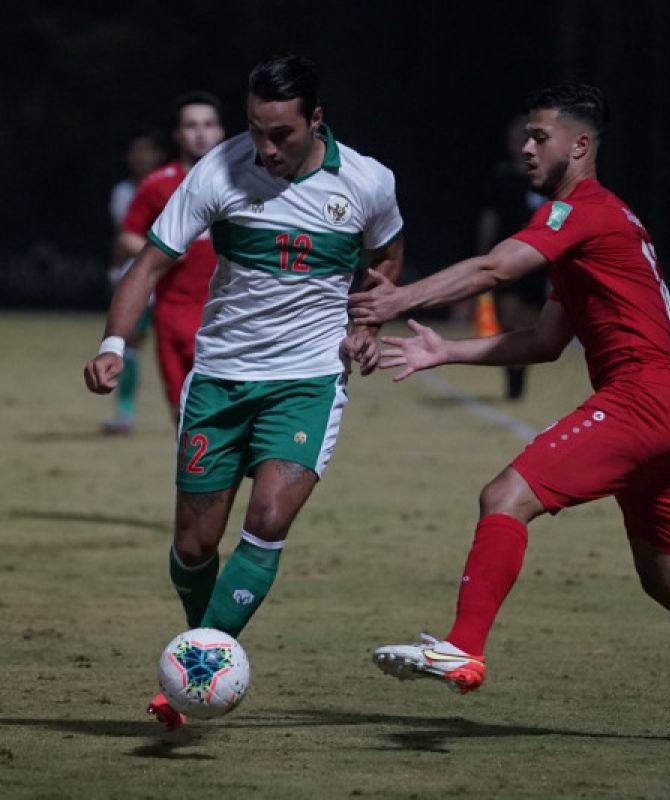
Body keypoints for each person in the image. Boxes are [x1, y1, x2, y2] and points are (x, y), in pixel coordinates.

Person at [348, 84, 670, 745]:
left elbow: (492, 266)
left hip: (646, 399)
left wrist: (401, 298)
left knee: (504, 496)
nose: (526, 146)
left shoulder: (584, 212)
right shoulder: (585, 225)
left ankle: (462, 647)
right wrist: (447, 349)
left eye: (540, 137)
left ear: (581, 145)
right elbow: (542, 341)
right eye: (527, 136)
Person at [84, 54, 404, 731]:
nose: (266, 148)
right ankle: (207, 642)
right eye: (256, 129)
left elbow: (387, 257)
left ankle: (191, 677)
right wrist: (114, 344)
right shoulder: (218, 172)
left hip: (308, 381)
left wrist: (365, 323)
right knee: (196, 546)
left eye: (281, 134)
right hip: (222, 379)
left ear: (316, 120)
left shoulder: (369, 182)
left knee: (268, 521)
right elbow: (146, 266)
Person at [113, 92, 227, 425]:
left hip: (226, 314)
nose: (200, 133)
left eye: (208, 125)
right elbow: (128, 236)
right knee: (183, 414)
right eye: (191, 126)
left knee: (221, 412)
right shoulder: (157, 185)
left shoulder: (243, 181)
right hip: (172, 313)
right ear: (178, 135)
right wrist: (161, 251)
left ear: (221, 132)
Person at [476, 115, 548, 399]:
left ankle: (520, 378)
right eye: (514, 136)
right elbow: (489, 218)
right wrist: (483, 254)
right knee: (508, 321)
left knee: (529, 326)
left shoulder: (543, 179)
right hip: (506, 260)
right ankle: (511, 380)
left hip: (537, 261)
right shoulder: (501, 177)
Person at [103, 127, 167, 434]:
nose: (140, 157)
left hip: (179, 281)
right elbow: (124, 237)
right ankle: (125, 411)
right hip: (142, 278)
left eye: (147, 150)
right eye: (135, 151)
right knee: (130, 344)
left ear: (157, 154)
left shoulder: (177, 185)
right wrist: (116, 271)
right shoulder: (122, 193)